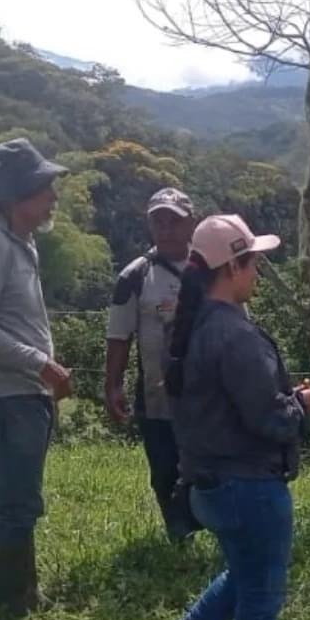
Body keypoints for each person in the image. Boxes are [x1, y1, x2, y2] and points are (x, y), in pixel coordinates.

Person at [140, 214, 310, 620]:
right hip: (249, 487)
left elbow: (229, 407)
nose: (258, 274)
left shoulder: (195, 326)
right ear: (233, 267)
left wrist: (283, 399)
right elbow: (269, 420)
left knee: (240, 577)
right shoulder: (235, 335)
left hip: (209, 485)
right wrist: (301, 404)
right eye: (254, 263)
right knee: (262, 593)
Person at [0, 138, 73, 616]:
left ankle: (23, 594)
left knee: (21, 497)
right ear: (17, 196)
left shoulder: (21, 242)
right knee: (13, 501)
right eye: (45, 188)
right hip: (5, 397)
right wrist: (41, 363)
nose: (53, 198)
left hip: (22, 395)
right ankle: (9, 605)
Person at [105, 187, 197, 541]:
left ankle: (214, 527)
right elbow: (119, 335)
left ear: (192, 224)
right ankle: (179, 536)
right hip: (156, 396)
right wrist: (113, 385)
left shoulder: (211, 268)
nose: (166, 228)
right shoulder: (133, 277)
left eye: (174, 221)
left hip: (206, 397)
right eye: (158, 221)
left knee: (208, 465)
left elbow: (239, 325)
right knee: (164, 469)